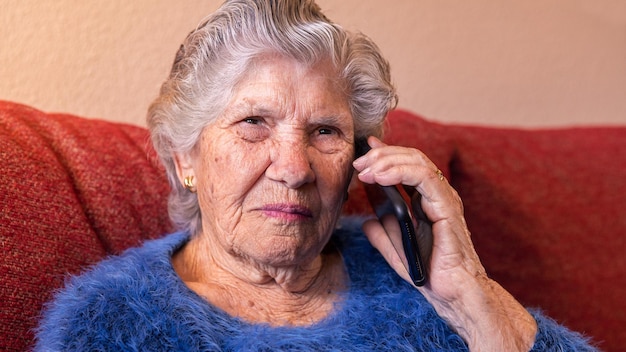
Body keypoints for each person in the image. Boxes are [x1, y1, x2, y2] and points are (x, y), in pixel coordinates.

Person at [35, 0, 596, 351]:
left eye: (325, 131)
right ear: (186, 158)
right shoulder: (113, 321)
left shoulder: (413, 273)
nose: (295, 169)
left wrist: (473, 301)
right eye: (254, 122)